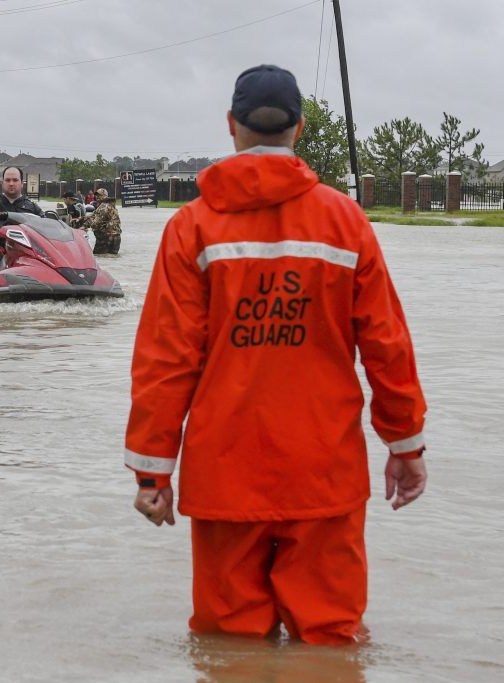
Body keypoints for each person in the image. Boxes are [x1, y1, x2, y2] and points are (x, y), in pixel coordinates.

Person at [126, 64, 428, 646]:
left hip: (224, 475)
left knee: (227, 651)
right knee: (331, 645)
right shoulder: (346, 222)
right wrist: (405, 444)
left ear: (231, 126)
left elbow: (165, 359)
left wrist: (152, 469)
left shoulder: (192, 228)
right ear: (300, 127)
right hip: (324, 472)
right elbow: (387, 346)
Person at [0, 166, 45, 281]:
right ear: (2, 183)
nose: (11, 183)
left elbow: (45, 222)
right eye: (8, 180)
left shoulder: (32, 206)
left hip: (25, 249)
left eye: (15, 180)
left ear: (22, 183)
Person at [81, 187, 121, 254]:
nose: (97, 197)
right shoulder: (111, 205)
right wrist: (83, 219)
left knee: (99, 258)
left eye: (100, 195)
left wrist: (84, 227)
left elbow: (96, 222)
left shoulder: (104, 206)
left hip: (106, 238)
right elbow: (93, 215)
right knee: (111, 259)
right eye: (96, 195)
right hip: (116, 238)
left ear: (105, 196)